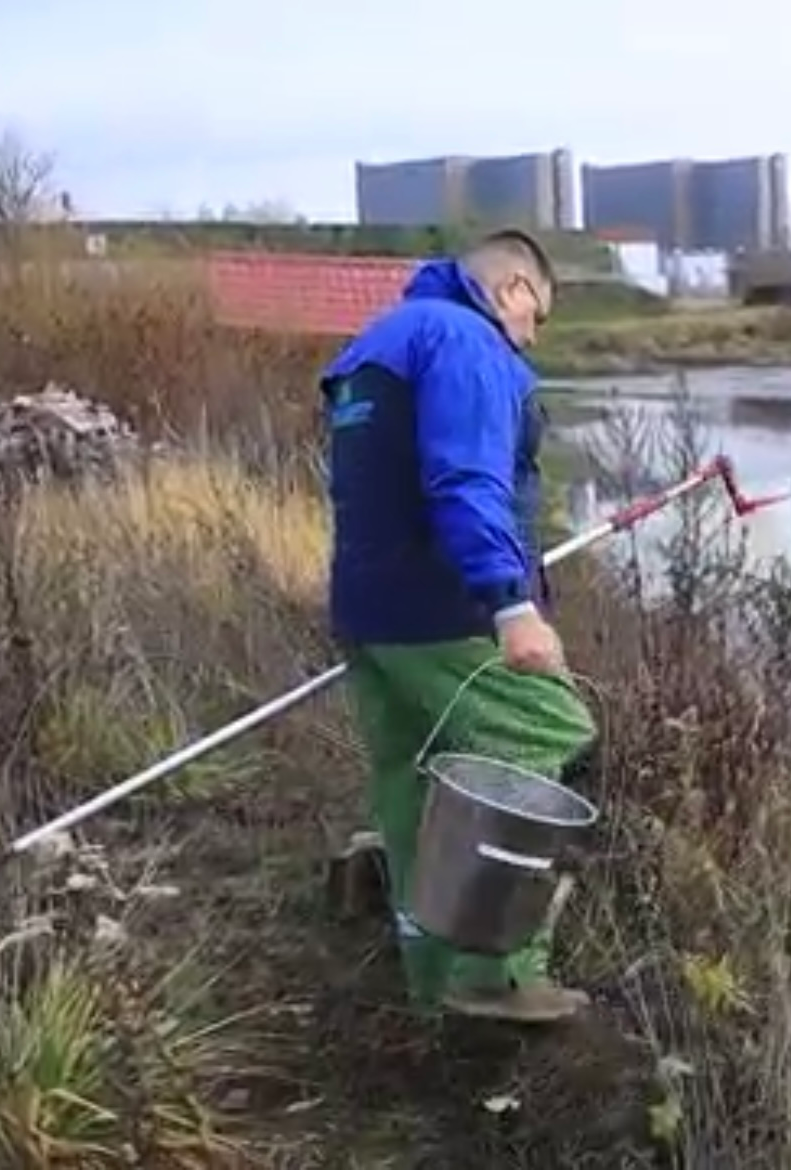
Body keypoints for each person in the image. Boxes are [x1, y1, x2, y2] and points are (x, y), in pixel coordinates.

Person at [320, 229, 597, 1024]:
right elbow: (465, 479)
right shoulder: (466, 340)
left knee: (415, 785)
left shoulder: (373, 346)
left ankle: (431, 982)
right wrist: (511, 604)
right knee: (545, 736)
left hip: (370, 615)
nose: (531, 333)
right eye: (535, 314)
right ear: (510, 288)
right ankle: (493, 977)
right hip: (450, 614)